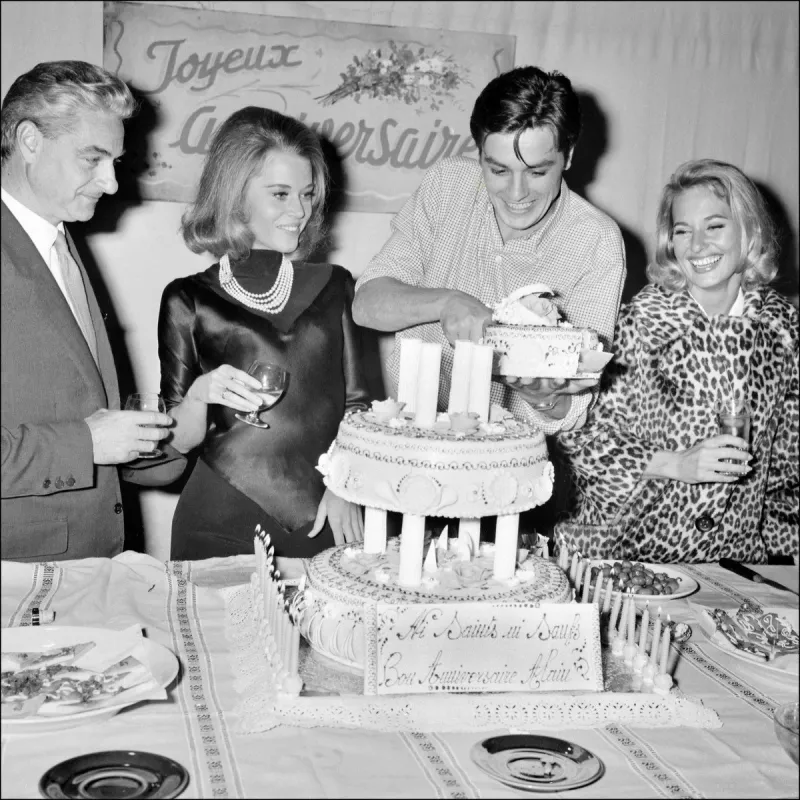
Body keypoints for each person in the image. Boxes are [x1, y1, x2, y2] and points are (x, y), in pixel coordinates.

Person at [352, 65, 626, 436]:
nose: (516, 193)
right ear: (479, 154)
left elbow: (569, 411)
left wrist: (541, 394)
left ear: (569, 156)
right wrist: (446, 302)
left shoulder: (597, 241)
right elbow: (366, 304)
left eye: (537, 172)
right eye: (498, 171)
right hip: (409, 438)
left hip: (507, 457)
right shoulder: (447, 184)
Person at [555, 159, 799, 564]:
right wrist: (676, 464)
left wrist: (785, 565)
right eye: (683, 231)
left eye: (714, 226)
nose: (697, 245)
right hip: (626, 558)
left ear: (750, 230)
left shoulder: (783, 330)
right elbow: (584, 442)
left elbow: (788, 471)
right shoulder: (637, 325)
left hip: (734, 566)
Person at [160, 106, 371, 560]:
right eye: (280, 194)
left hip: (325, 516)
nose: (299, 210)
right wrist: (199, 395)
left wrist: (345, 484)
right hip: (217, 518)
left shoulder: (336, 286)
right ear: (235, 196)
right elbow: (176, 439)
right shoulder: (187, 299)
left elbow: (359, 406)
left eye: (307, 194)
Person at [1, 60, 177, 562]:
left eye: (114, 162)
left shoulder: (61, 242)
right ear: (30, 141)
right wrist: (86, 444)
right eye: (92, 159)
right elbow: (89, 437)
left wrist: (180, 428)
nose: (111, 183)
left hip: (90, 563)